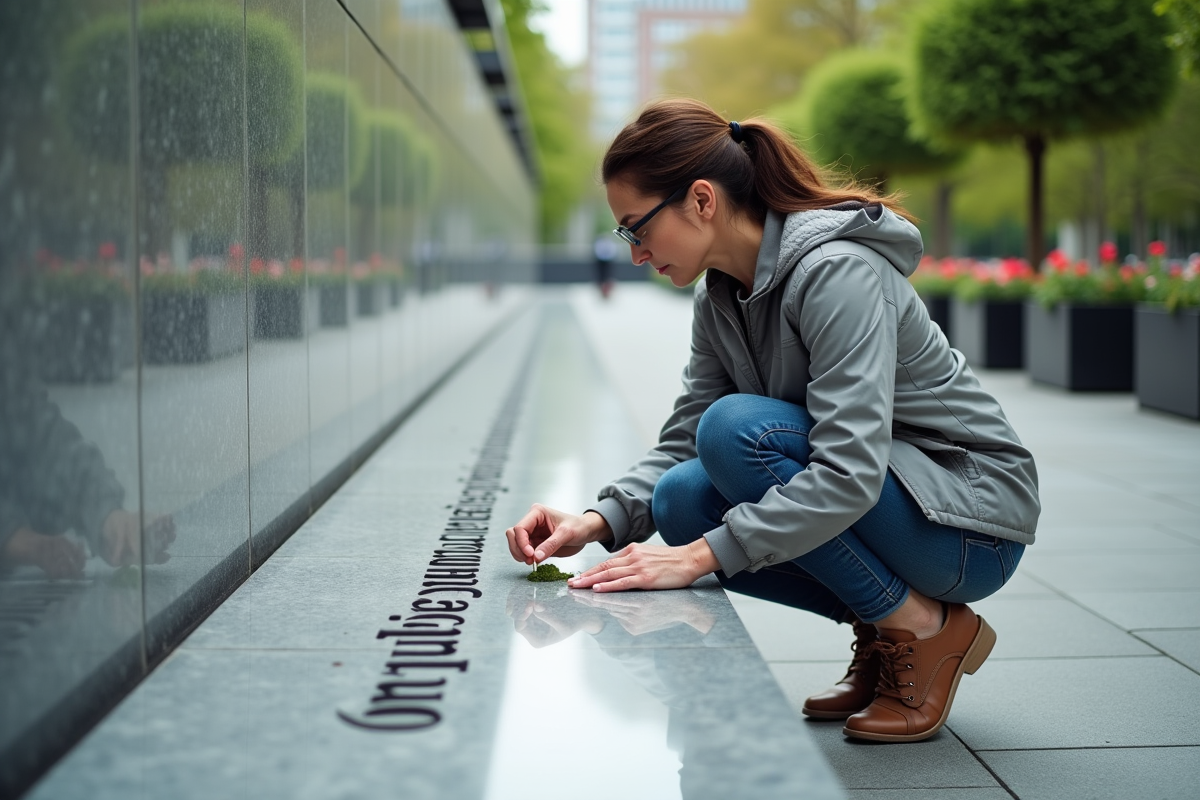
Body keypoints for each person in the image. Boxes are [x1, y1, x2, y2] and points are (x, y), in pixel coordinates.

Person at [504, 98, 1039, 743]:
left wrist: (701, 558)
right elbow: (682, 438)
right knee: (680, 498)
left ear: (701, 200)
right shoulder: (721, 296)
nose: (636, 253)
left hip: (968, 526)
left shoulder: (839, 272)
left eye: (635, 227)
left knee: (737, 434)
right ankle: (889, 622)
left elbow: (845, 472)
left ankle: (924, 629)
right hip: (897, 505)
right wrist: (597, 521)